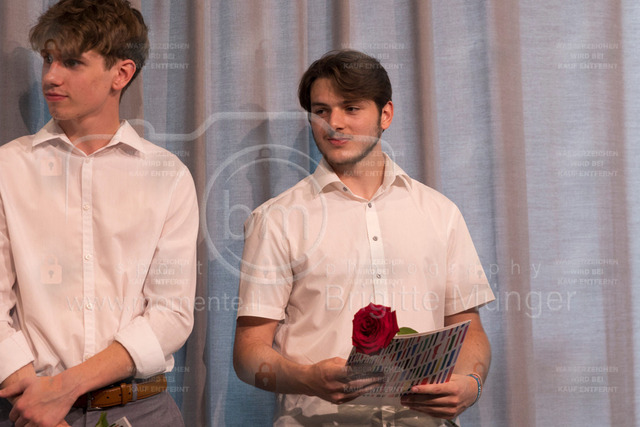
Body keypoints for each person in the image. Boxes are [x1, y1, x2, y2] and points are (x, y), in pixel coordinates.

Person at [233, 49, 495, 426]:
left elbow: (470, 331)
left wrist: (471, 384)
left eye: (351, 108)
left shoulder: (441, 213)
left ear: (385, 114)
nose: (334, 123)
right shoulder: (276, 220)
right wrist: (307, 378)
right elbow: (248, 355)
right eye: (321, 111)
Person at [0, 1, 198, 426]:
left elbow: (172, 313)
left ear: (120, 74)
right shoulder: (8, 168)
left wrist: (64, 388)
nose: (51, 76)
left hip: (142, 411)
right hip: (25, 407)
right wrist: (37, 403)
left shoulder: (168, 175)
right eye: (48, 59)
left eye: (71, 62)